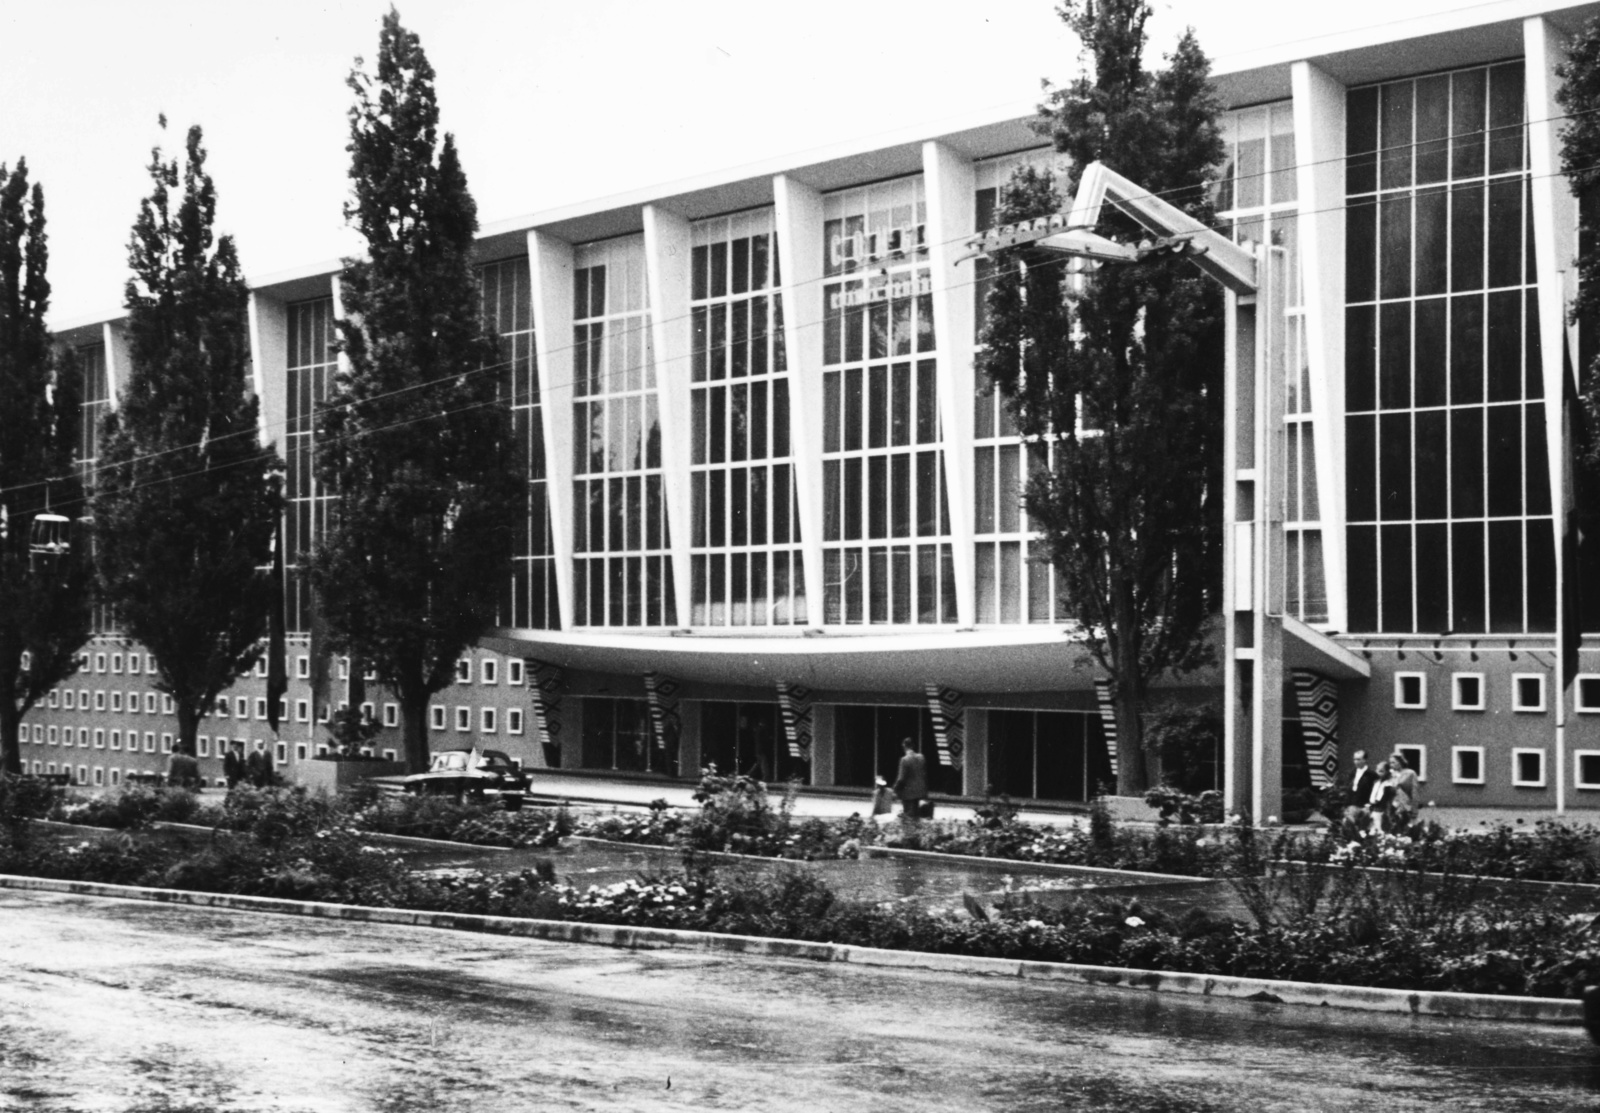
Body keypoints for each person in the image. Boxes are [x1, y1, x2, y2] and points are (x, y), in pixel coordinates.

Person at [1340, 749, 1378, 836]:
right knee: (1349, 825)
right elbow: (1349, 789)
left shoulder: (1371, 775)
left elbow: (1374, 791)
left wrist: (1370, 805)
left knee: (1363, 829)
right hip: (1352, 805)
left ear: (1364, 760)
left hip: (1364, 806)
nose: (1356, 762)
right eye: (1355, 759)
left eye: (1358, 759)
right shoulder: (1352, 773)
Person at [892, 737, 927, 823]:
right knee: (916, 817)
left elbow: (901, 779)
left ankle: (910, 834)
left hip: (908, 794)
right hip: (919, 792)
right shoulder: (921, 757)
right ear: (913, 746)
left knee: (908, 818)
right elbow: (924, 775)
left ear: (904, 746)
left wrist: (895, 790)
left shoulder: (904, 760)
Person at [1388, 752, 1419, 830]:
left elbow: (1414, 792)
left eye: (1393, 762)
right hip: (1392, 806)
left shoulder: (1410, 773)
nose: (1391, 765)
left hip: (1405, 805)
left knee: (1405, 827)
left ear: (1400, 762)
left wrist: (1414, 810)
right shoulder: (1391, 775)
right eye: (1390, 763)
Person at [1367, 761, 1395, 833]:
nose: (1378, 773)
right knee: (1372, 830)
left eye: (1381, 771)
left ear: (1387, 772)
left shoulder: (1388, 785)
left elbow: (1387, 801)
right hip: (1373, 810)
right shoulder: (1376, 782)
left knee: (1380, 830)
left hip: (1382, 811)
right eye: (1377, 770)